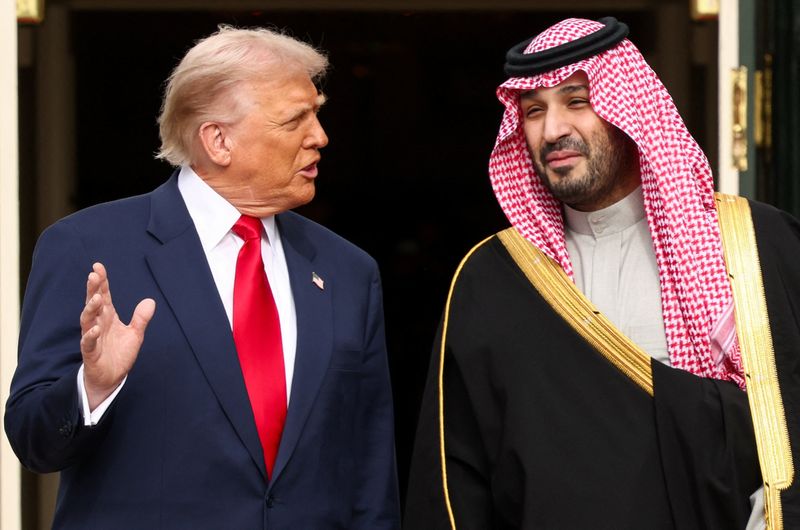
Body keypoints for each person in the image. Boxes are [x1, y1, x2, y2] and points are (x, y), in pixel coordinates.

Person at [404, 17, 799, 529]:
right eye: (533, 112)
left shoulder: (752, 245)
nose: (553, 131)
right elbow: (456, 473)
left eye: (577, 101)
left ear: (628, 108)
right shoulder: (492, 277)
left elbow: (785, 423)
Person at [5, 26, 400, 529]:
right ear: (218, 140)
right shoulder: (88, 248)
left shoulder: (348, 270)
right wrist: (93, 387)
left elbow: (370, 470)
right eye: (296, 119)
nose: (320, 135)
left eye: (317, 113)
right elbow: (33, 441)